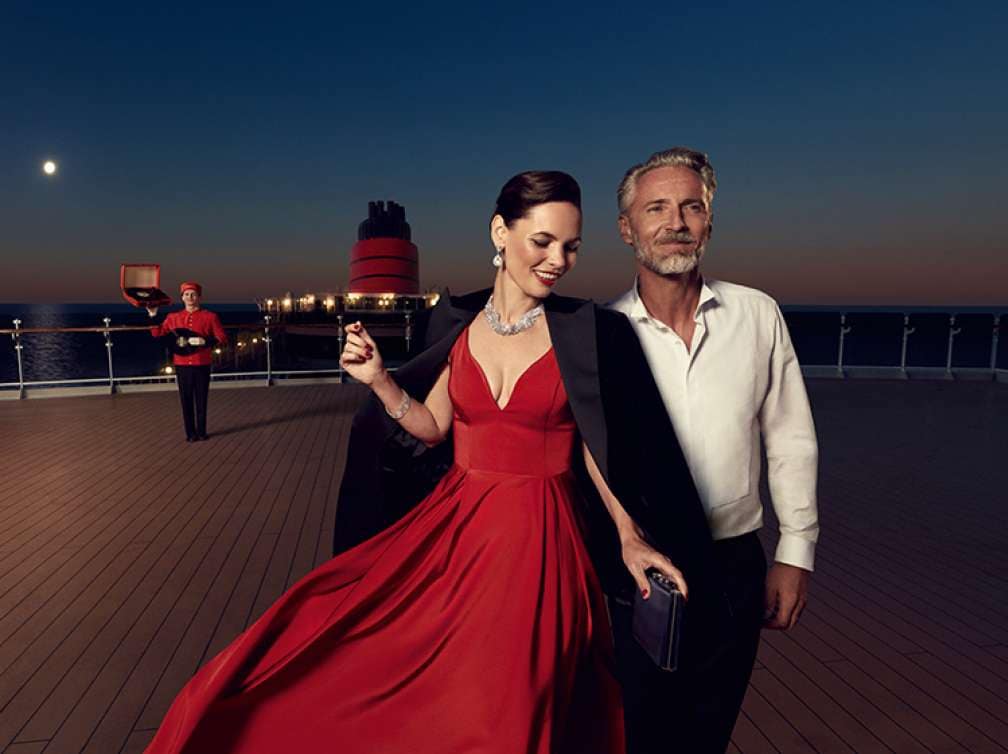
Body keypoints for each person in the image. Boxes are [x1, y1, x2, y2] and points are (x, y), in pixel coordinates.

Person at [144, 172, 712, 754]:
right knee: (407, 684)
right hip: (456, 534)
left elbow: (594, 444)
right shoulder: (457, 324)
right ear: (500, 232)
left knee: (514, 707)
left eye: (570, 247)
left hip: (541, 541)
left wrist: (627, 533)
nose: (558, 260)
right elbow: (433, 425)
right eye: (542, 242)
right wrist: (381, 380)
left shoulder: (582, 330)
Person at [606, 147, 820, 753]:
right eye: (656, 208)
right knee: (641, 736)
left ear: (708, 222)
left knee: (708, 736)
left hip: (733, 568)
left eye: (691, 206)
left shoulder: (757, 314)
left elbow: (790, 438)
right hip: (639, 571)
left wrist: (795, 551)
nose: (675, 221)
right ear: (628, 229)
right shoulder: (605, 336)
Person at [147, 281, 228, 442]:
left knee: (201, 399)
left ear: (199, 297)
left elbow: (222, 338)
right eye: (186, 294)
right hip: (181, 364)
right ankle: (190, 434)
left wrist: (205, 341)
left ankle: (202, 431)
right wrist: (152, 315)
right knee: (185, 399)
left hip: (202, 363)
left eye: (193, 294)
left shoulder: (210, 317)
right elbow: (157, 333)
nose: (190, 297)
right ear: (182, 298)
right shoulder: (173, 317)